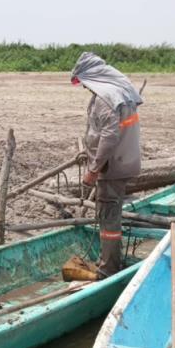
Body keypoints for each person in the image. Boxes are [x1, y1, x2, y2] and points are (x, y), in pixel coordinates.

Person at [71, 52, 143, 278]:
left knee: (109, 218)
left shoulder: (105, 99)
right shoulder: (117, 93)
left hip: (112, 168)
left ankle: (108, 269)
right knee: (111, 214)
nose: (84, 87)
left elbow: (109, 137)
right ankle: (111, 260)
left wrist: (93, 171)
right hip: (124, 163)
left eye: (84, 82)